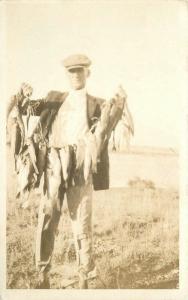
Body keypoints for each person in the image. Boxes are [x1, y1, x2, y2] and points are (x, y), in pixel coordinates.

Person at [7, 54, 126, 289]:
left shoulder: (99, 104)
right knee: (47, 216)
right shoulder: (54, 98)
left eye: (80, 70)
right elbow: (26, 108)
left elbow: (112, 122)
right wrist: (21, 95)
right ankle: (43, 273)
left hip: (81, 166)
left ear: (87, 73)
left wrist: (120, 101)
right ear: (67, 74)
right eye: (72, 71)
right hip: (53, 163)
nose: (76, 75)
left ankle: (85, 276)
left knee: (82, 222)